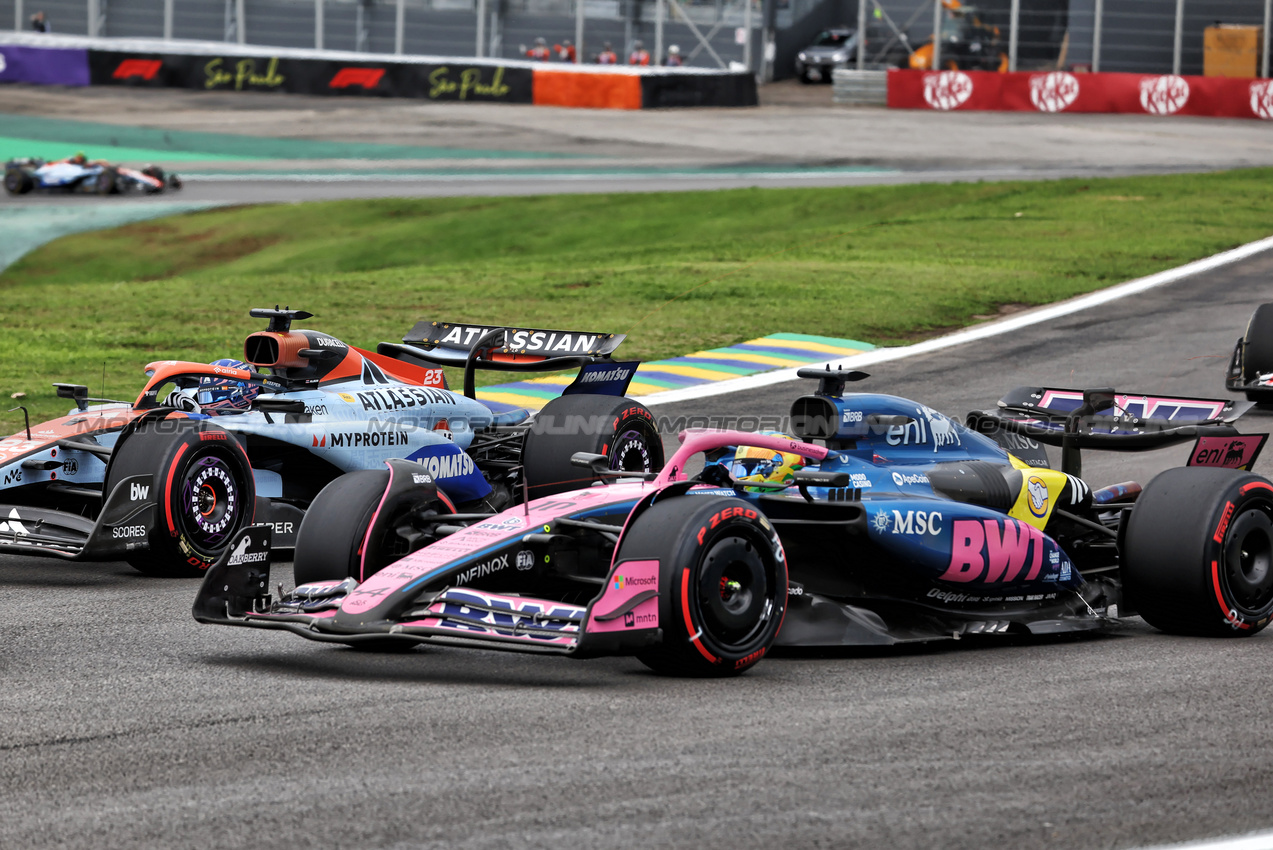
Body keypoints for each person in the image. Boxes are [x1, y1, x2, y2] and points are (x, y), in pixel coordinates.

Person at [169, 359, 262, 415]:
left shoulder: (261, 419)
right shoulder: (194, 406)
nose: (206, 405)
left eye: (217, 396)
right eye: (205, 397)